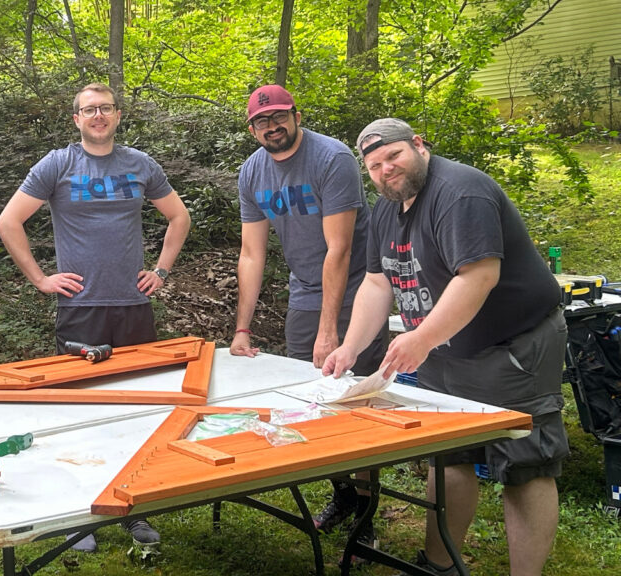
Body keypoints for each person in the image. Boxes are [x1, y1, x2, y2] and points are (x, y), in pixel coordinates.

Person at [323, 118, 568, 576]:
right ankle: (440, 565)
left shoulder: (461, 192)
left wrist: (421, 337)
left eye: (393, 156)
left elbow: (478, 276)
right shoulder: (385, 208)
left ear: (418, 145)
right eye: (374, 166)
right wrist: (351, 347)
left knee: (525, 460)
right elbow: (378, 283)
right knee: (448, 456)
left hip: (511, 344)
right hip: (443, 350)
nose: (386, 170)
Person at [0, 82, 191, 552]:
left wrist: (161, 271)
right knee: (79, 412)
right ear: (76, 119)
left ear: (118, 115)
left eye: (105, 109)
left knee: (137, 411)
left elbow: (179, 217)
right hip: (79, 308)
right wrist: (41, 278)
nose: (97, 116)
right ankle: (78, 516)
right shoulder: (58, 164)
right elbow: (8, 222)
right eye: (89, 110)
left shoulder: (140, 165)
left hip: (133, 308)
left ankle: (132, 510)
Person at [229, 84, 386, 543]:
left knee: (356, 407)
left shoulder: (331, 159)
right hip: (304, 291)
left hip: (359, 290)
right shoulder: (251, 172)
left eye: (279, 116)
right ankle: (342, 496)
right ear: (252, 128)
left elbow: (338, 250)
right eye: (261, 121)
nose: (272, 126)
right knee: (310, 403)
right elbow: (252, 254)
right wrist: (242, 328)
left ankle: (366, 520)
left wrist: (329, 331)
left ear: (296, 114)